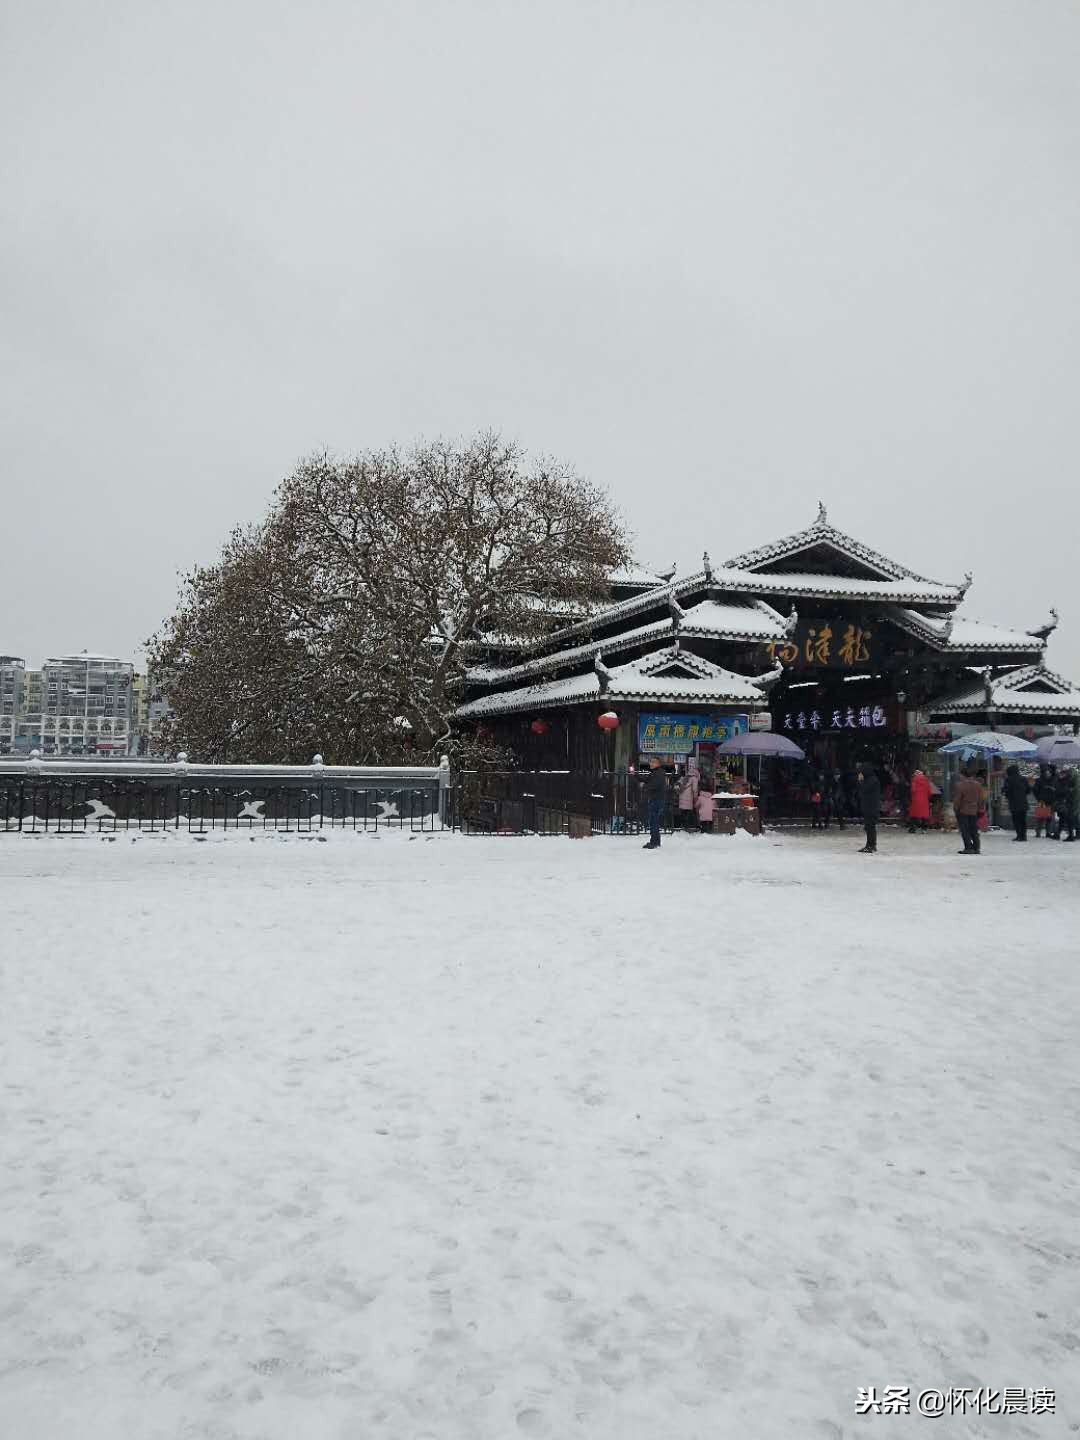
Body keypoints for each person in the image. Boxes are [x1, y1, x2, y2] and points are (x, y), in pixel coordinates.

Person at [953, 767, 982, 854]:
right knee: (974, 829)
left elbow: (957, 800)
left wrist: (956, 809)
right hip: (974, 810)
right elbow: (981, 799)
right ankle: (976, 847)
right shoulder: (978, 785)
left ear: (963, 775)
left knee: (965, 830)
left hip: (963, 810)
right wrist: (979, 808)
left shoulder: (960, 785)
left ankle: (968, 847)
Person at [642, 758, 668, 850]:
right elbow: (646, 779)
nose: (651, 763)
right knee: (653, 820)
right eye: (650, 761)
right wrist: (635, 775)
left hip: (657, 800)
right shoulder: (655, 773)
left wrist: (645, 788)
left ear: (658, 764)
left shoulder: (659, 773)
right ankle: (655, 841)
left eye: (653, 762)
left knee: (654, 821)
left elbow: (654, 785)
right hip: (655, 799)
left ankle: (654, 842)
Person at [857, 764, 881, 853]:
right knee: (868, 827)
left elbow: (864, 789)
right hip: (869, 807)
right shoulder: (870, 779)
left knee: (870, 827)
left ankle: (872, 845)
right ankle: (869, 845)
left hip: (871, 808)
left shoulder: (872, 780)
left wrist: (860, 781)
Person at [1003, 764, 1030, 842]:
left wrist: (1008, 796)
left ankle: (1019, 836)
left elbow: (1007, 791)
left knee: (1016, 820)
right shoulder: (1024, 779)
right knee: (1023, 820)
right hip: (1023, 803)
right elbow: (1028, 790)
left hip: (1014, 803)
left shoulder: (1008, 779)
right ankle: (1024, 836)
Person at [1056, 767, 1078, 842]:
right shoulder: (1064, 781)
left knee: (1068, 819)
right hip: (1066, 802)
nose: (1061, 775)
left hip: (1067, 802)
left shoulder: (1069, 781)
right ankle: (1067, 835)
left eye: (1062, 774)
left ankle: (1071, 835)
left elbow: (1067, 791)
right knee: (1065, 818)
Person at [1033, 766, 1055, 838]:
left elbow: (1057, 789)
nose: (1048, 773)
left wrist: (1053, 790)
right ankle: (1038, 832)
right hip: (1042, 801)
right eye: (1046, 772)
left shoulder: (1053, 780)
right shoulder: (1039, 780)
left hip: (1051, 801)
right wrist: (1039, 798)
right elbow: (1035, 790)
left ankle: (1048, 832)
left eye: (1049, 772)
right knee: (1040, 818)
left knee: (1049, 818)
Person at [908, 768, 932, 833]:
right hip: (924, 800)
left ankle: (913, 828)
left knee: (914, 814)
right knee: (924, 815)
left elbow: (913, 790)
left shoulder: (914, 780)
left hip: (915, 799)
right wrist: (928, 797)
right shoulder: (926, 780)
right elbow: (929, 791)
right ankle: (924, 829)